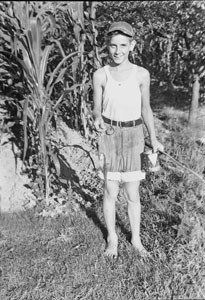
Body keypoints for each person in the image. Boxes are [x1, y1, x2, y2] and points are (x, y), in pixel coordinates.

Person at [92, 21, 164, 258]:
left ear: (132, 45)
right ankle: (112, 239)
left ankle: (136, 239)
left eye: (123, 45)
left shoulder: (141, 74)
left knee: (133, 194)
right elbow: (96, 109)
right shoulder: (100, 75)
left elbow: (146, 109)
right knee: (110, 191)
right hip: (110, 136)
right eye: (113, 45)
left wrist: (153, 139)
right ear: (107, 46)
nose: (117, 50)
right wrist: (96, 119)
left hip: (134, 136)